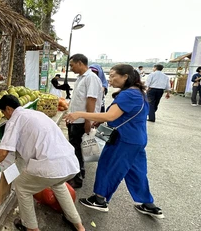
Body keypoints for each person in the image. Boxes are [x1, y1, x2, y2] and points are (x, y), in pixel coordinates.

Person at [64, 64, 164, 219]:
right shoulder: (138, 92)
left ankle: (99, 199)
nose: (109, 80)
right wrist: (100, 120)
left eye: (112, 75)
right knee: (136, 172)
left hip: (123, 139)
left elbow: (110, 116)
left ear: (125, 77)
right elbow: (118, 116)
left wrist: (79, 114)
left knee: (108, 165)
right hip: (137, 139)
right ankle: (148, 204)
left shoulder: (128, 95)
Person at [0, 95, 85, 231]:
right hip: (69, 163)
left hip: (51, 165)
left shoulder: (14, 120)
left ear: (8, 109)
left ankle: (31, 227)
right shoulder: (34, 113)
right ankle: (78, 225)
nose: (4, 116)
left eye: (3, 112)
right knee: (58, 184)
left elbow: (3, 152)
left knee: (22, 186)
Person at [67, 54, 103, 188]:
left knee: (77, 149)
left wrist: (88, 120)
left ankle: (78, 178)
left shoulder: (91, 78)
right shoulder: (80, 79)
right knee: (74, 148)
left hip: (82, 121)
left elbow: (91, 100)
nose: (71, 68)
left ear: (80, 63)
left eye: (72, 65)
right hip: (75, 120)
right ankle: (76, 174)